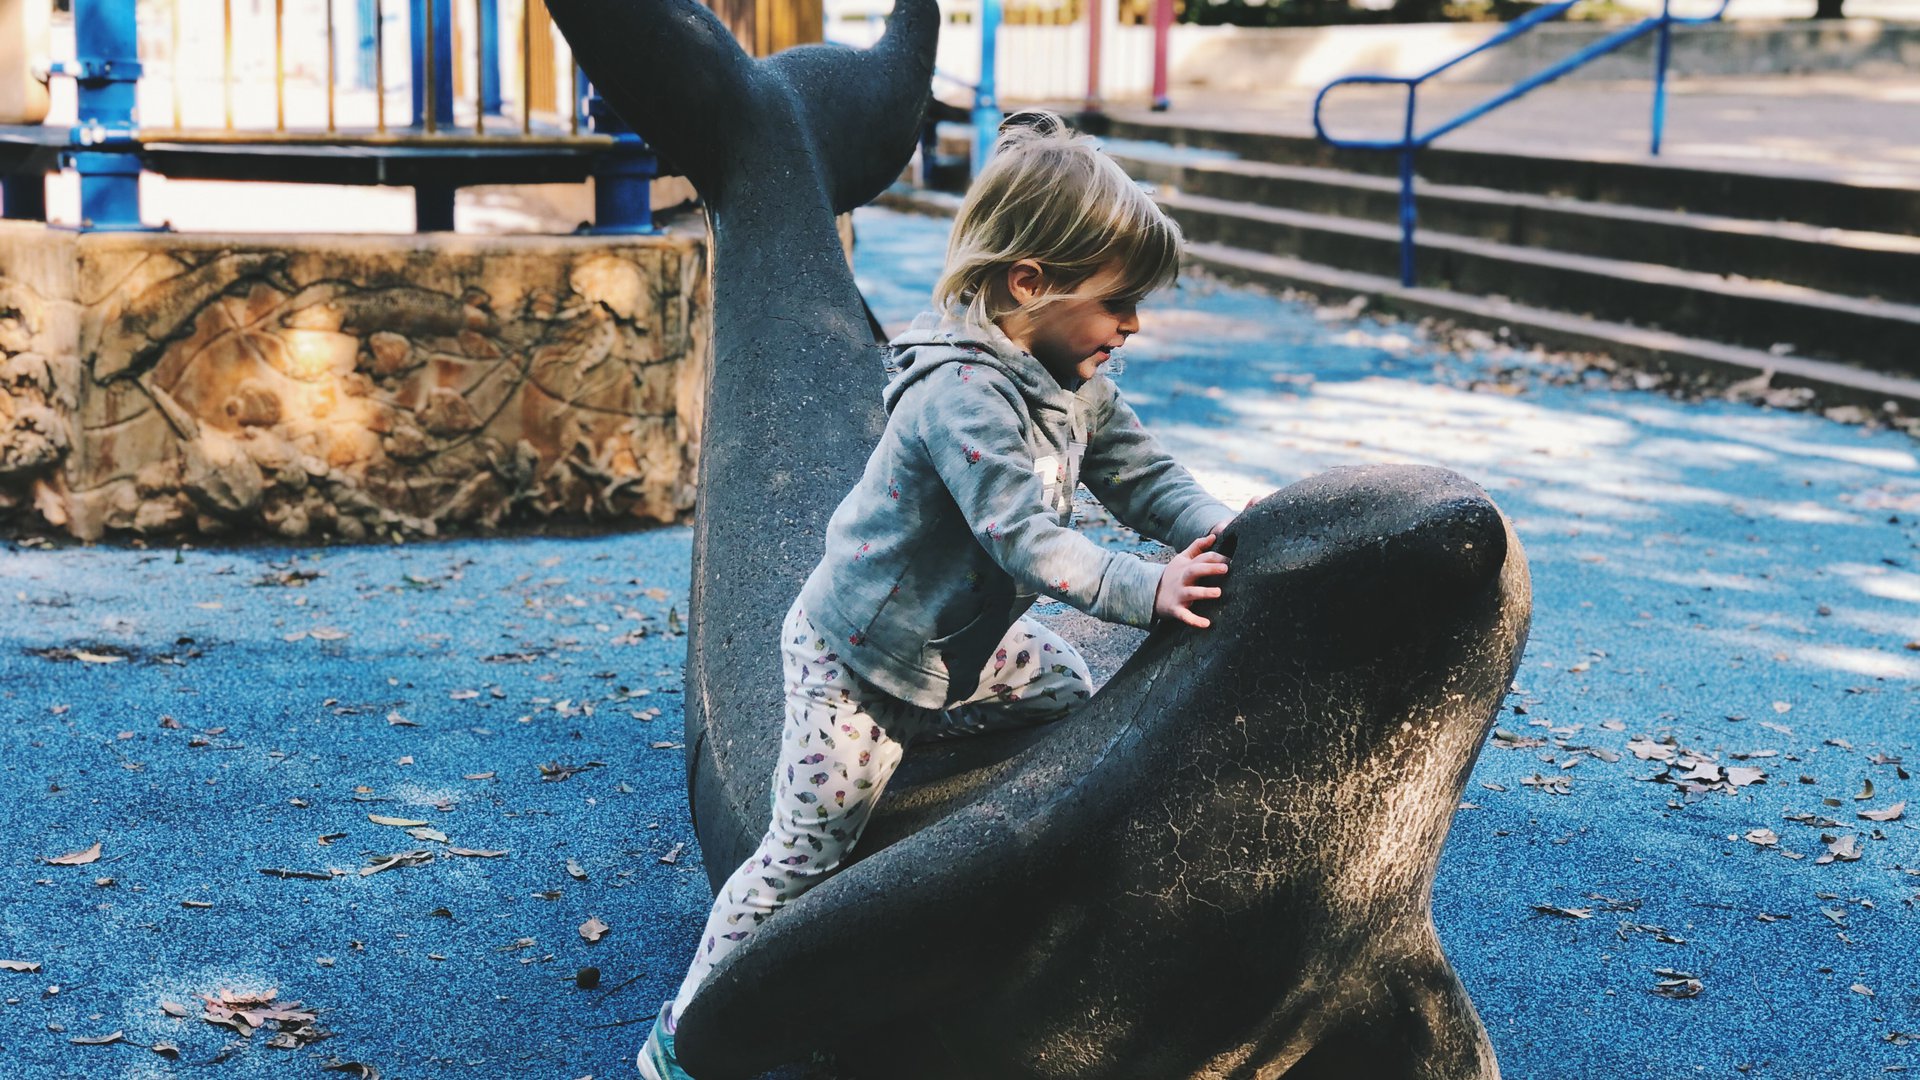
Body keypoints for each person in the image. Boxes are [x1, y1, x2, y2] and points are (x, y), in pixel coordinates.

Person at [639, 111, 1237, 1079]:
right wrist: (1150, 585)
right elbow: (1030, 544)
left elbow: (1144, 476)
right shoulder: (960, 396)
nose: (1133, 325)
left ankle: (978, 833)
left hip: (964, 642)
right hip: (865, 660)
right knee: (804, 851)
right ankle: (684, 1033)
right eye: (1119, 302)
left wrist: (1222, 528)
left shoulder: (1072, 378)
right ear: (1028, 283)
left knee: (1063, 686)